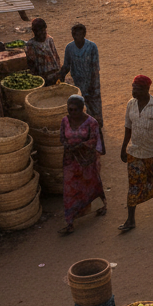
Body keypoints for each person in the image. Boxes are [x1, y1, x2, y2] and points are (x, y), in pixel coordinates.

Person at [118, 76, 153, 233]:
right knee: (134, 185)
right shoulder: (130, 104)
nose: (134, 91)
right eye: (133, 88)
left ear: (147, 90)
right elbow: (128, 128)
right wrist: (123, 148)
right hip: (135, 152)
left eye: (138, 89)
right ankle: (130, 220)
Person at [58, 95, 106, 235]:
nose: (72, 112)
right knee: (69, 188)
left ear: (81, 109)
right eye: (70, 109)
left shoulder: (91, 122)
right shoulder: (65, 121)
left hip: (86, 160)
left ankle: (101, 205)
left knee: (91, 183)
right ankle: (70, 221)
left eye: (75, 109)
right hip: (70, 160)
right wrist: (68, 145)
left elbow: (94, 139)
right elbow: (62, 137)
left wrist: (80, 146)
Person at [60, 24, 103, 130]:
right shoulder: (69, 48)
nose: (77, 37)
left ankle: (98, 127)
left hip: (92, 81)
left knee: (95, 105)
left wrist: (92, 85)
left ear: (84, 34)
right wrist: (60, 76)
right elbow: (66, 65)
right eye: (75, 35)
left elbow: (95, 68)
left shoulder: (92, 47)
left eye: (79, 34)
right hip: (78, 82)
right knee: (83, 106)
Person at [25, 18, 63, 84]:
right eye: (39, 31)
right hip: (41, 74)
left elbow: (55, 55)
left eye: (43, 30)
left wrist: (59, 70)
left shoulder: (49, 40)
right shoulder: (31, 44)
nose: (42, 33)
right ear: (34, 32)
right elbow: (31, 62)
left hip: (54, 71)